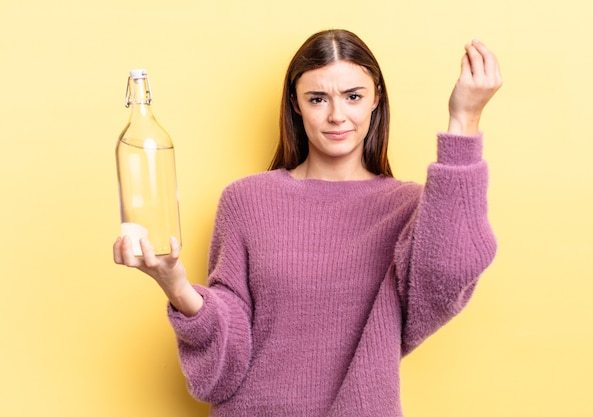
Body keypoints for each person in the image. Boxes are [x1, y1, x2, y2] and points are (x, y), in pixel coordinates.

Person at [113, 29, 502, 417]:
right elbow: (227, 358)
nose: (337, 115)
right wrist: (176, 285)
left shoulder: (407, 209)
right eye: (318, 98)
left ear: (376, 98)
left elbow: (450, 271)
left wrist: (464, 119)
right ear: (296, 104)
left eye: (353, 96)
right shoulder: (247, 201)